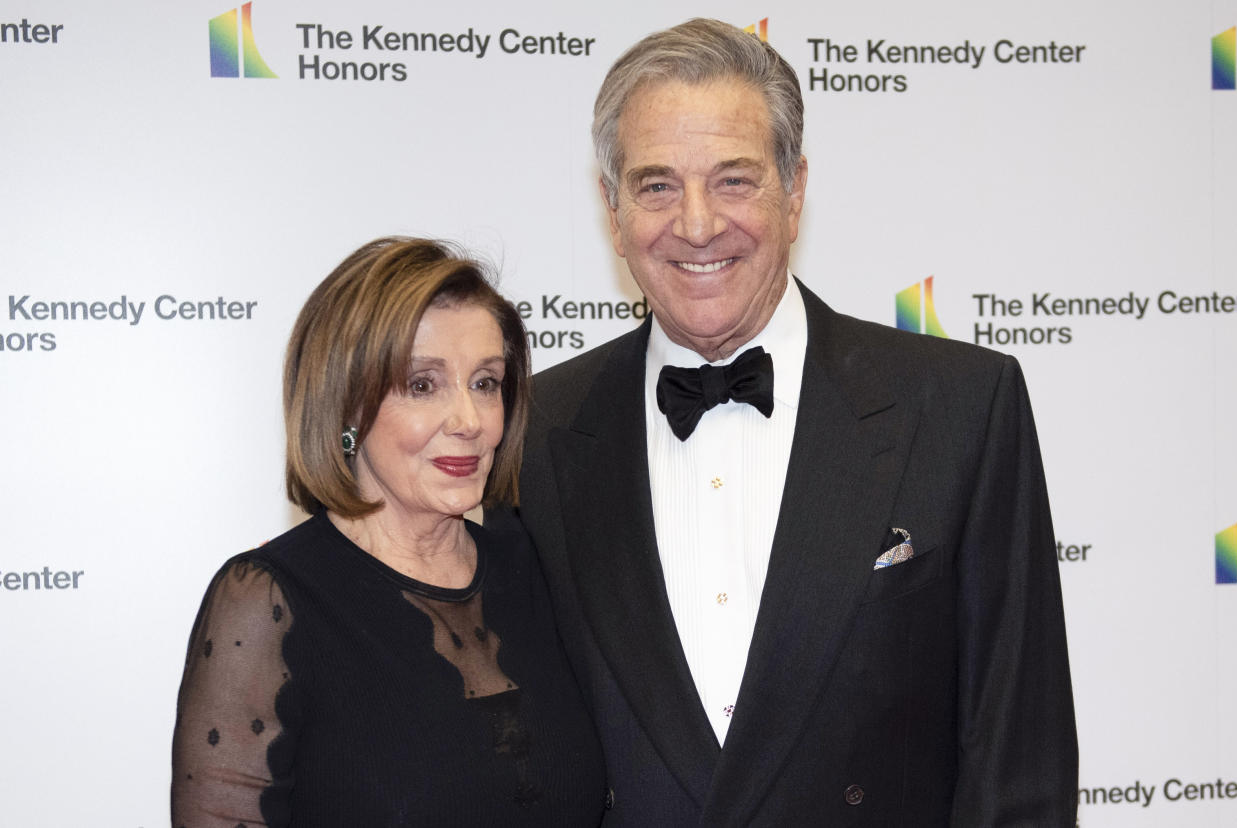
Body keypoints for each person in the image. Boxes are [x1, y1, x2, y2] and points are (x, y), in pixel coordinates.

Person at [500, 18, 1077, 826]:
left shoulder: (962, 408)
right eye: (657, 184)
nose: (696, 224)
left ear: (795, 190)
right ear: (612, 207)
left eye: (733, 180)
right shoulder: (531, 433)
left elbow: (1020, 766)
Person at [171, 237, 605, 826]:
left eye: (485, 382)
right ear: (347, 403)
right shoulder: (270, 600)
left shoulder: (534, 559)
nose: (469, 422)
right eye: (422, 385)